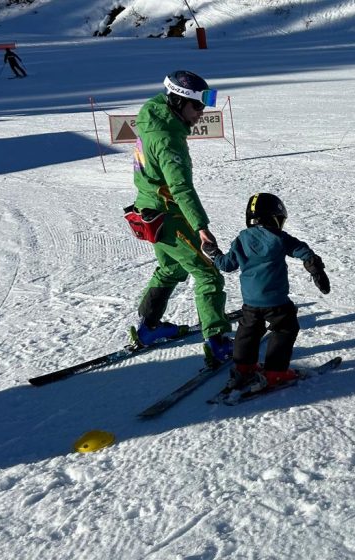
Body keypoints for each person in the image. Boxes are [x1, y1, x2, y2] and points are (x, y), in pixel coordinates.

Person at [128, 70, 233, 363]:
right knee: (208, 274)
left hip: (148, 210)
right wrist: (201, 227)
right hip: (166, 215)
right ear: (177, 102)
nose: (202, 113)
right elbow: (181, 187)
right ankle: (218, 342)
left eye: (203, 105)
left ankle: (149, 328)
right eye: (197, 106)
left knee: (172, 269)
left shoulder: (154, 113)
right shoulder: (168, 141)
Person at [201, 193, 331, 392]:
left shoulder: (242, 238)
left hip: (251, 302)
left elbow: (226, 265)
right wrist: (315, 267)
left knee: (248, 332)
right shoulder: (279, 237)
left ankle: (243, 368)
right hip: (276, 301)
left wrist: (213, 252)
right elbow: (302, 249)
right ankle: (275, 372)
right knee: (285, 328)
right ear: (274, 217)